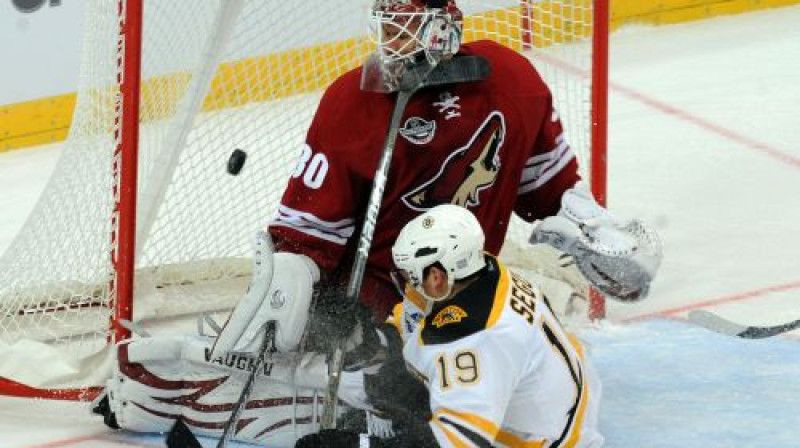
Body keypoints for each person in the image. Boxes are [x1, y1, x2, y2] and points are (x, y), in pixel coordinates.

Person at [93, 0, 660, 445]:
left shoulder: (514, 81)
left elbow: (549, 191)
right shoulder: (353, 102)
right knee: (391, 396)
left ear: (443, 27)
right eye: (384, 21)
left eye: (404, 23)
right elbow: (304, 236)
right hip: (367, 302)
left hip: (460, 287)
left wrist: (588, 226)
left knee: (426, 409)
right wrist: (300, 288)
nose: (389, 38)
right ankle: (177, 389)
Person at [296, 204, 604, 447]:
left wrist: (362, 446)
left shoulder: (479, 338)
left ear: (438, 276)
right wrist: (365, 341)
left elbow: (457, 444)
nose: (406, 283)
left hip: (541, 441)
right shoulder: (478, 274)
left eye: (410, 273)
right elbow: (411, 344)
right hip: (554, 400)